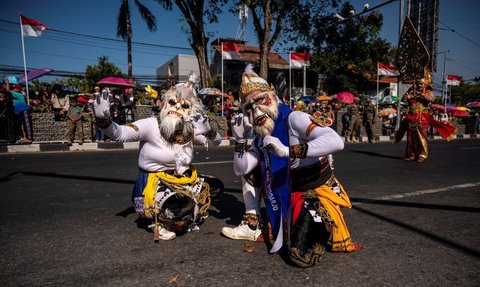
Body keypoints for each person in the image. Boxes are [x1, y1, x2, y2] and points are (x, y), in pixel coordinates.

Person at [221, 65, 361, 268]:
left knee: (301, 255)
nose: (256, 110)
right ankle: (253, 222)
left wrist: (288, 151)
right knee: (253, 169)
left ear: (273, 95)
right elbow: (241, 169)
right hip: (284, 192)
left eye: (260, 100)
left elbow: (336, 141)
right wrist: (241, 139)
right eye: (249, 108)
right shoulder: (260, 133)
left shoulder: (295, 118)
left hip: (313, 191)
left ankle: (318, 218)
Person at [93, 74, 223, 241]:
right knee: (185, 206)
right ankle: (161, 220)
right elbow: (121, 134)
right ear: (164, 104)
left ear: (190, 111)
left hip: (182, 179)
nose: (177, 107)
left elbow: (215, 143)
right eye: (172, 102)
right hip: (153, 183)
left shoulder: (189, 129)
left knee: (216, 186)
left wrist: (208, 129)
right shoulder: (151, 124)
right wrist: (104, 120)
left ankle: (186, 210)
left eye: (184, 105)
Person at [395, 68, 456, 163]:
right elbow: (403, 99)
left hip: (422, 117)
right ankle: (411, 154)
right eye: (418, 83)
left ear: (425, 84)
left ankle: (422, 154)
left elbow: (431, 99)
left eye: (422, 83)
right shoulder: (411, 91)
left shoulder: (428, 92)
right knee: (411, 137)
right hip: (411, 117)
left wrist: (421, 94)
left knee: (422, 136)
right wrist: (408, 95)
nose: (420, 85)